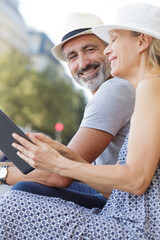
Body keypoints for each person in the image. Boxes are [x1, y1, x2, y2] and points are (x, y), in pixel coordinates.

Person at [0, 2, 160, 239]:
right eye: (72, 56)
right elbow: (129, 192)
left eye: (113, 39)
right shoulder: (147, 88)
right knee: (19, 199)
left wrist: (58, 163)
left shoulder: (149, 86)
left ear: (142, 41)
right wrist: (63, 155)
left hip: (135, 230)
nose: (108, 50)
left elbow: (136, 181)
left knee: (12, 206)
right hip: (129, 219)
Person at [0, 12, 135, 208]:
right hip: (117, 196)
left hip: (126, 204)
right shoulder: (115, 88)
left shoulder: (114, 90)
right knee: (29, 187)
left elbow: (59, 176)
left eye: (89, 50)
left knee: (25, 193)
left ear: (109, 50)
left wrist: (2, 173)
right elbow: (73, 167)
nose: (83, 63)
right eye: (72, 56)